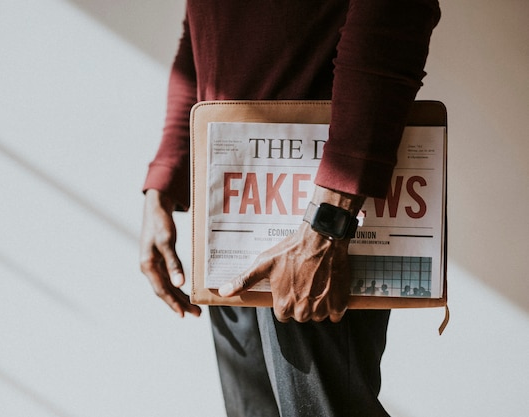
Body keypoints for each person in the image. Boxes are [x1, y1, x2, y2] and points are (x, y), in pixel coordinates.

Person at [140, 1, 440, 416]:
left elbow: (393, 14)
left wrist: (329, 221)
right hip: (231, 205)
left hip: (313, 215)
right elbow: (200, 30)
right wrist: (167, 181)